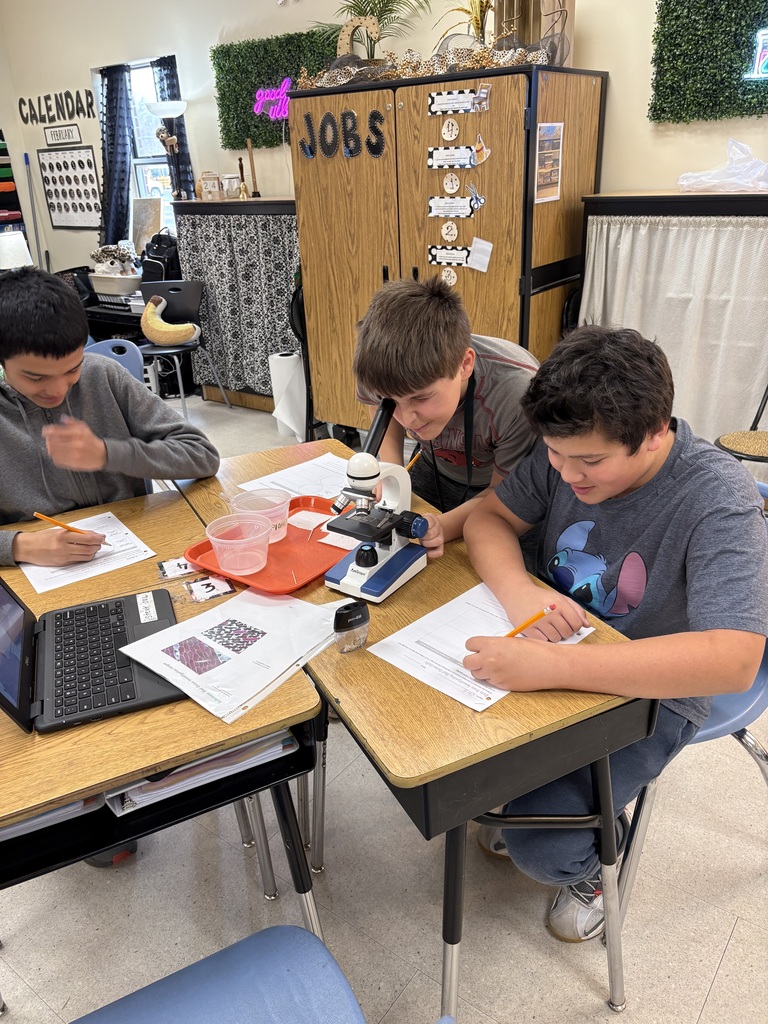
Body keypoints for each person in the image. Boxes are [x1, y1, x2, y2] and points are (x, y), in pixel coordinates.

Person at [462, 323, 768, 942]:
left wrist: (554, 669)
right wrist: (522, 591)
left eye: (591, 462)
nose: (567, 475)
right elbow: (491, 518)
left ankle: (597, 865)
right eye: (554, 454)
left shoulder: (717, 495)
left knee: (539, 850)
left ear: (655, 432)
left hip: (654, 688)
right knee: (459, 774)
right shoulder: (568, 446)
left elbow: (734, 659)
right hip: (556, 644)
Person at [0, 266, 220, 567]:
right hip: (38, 573)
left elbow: (202, 456)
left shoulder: (102, 375)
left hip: (133, 546)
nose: (57, 390)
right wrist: (18, 546)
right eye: (35, 378)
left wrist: (108, 453)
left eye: (71, 369)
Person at [354, 276, 539, 558]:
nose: (408, 419)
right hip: (435, 469)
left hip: (503, 489)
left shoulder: (517, 394)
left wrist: (443, 526)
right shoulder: (378, 368)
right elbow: (387, 420)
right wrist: (391, 475)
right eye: (392, 401)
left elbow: (504, 497)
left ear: (465, 365)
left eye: (420, 397)